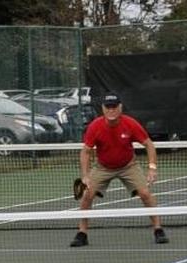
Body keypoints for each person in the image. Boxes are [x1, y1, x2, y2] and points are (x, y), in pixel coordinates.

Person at [70, 92, 168, 247]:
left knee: (145, 193)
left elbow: (149, 144)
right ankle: (82, 233)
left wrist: (152, 168)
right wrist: (85, 176)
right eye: (108, 107)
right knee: (86, 194)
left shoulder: (130, 124)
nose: (111, 110)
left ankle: (158, 229)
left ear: (120, 107)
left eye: (114, 107)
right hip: (103, 167)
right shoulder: (95, 126)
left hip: (128, 166)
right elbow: (86, 151)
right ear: (103, 108)